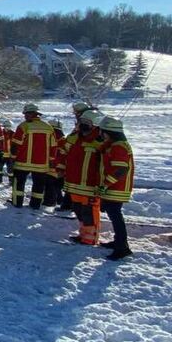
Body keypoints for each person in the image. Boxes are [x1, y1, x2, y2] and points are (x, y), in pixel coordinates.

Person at [58, 109, 105, 244]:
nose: (82, 125)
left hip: (90, 185)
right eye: (82, 122)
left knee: (89, 212)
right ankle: (83, 234)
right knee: (78, 209)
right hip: (73, 182)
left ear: (95, 125)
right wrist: (60, 167)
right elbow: (62, 150)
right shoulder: (74, 138)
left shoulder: (101, 142)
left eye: (87, 123)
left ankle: (91, 238)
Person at [97, 116, 135, 261]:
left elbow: (120, 170)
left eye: (102, 131)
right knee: (114, 215)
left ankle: (122, 247)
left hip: (116, 188)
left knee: (116, 216)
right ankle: (118, 242)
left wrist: (105, 184)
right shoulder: (116, 144)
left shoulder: (119, 146)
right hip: (114, 187)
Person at [11, 104, 56, 209]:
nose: (25, 116)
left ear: (31, 114)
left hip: (22, 163)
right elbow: (53, 146)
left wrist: (12, 158)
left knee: (19, 184)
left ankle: (17, 203)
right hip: (41, 164)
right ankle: (35, 205)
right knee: (39, 186)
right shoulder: (48, 127)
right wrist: (51, 160)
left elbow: (15, 144)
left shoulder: (23, 126)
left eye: (26, 114)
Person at [45, 119, 66, 209]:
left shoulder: (51, 139)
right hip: (60, 169)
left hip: (53, 168)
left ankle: (50, 202)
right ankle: (59, 200)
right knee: (56, 186)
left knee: (51, 186)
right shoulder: (64, 141)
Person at [0, 120, 15, 184]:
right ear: (4, 126)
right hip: (2, 154)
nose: (7, 128)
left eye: (9, 126)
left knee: (10, 169)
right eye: (6, 126)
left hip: (10, 155)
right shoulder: (1, 133)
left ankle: (11, 180)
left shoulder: (13, 134)